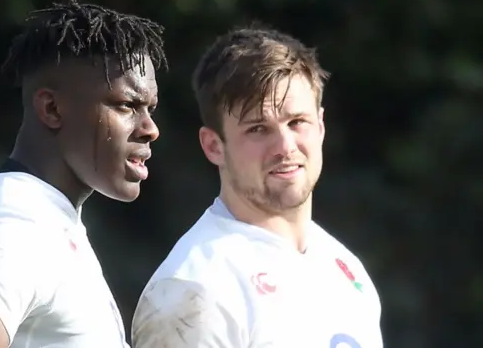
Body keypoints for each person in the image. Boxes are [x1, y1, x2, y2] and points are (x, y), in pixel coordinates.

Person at [0, 0, 167, 348]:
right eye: (127, 105)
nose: (150, 128)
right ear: (52, 108)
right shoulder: (20, 224)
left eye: (151, 108)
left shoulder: (46, 217)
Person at [131, 25, 383, 348]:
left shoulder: (347, 269)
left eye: (297, 123)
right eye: (258, 129)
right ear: (213, 146)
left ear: (320, 126)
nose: (285, 146)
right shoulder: (193, 290)